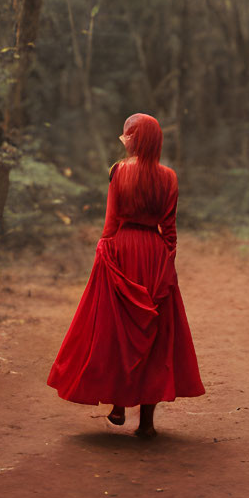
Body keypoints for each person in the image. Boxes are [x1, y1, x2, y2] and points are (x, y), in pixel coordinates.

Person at [47, 113, 205, 437]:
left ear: (134, 138)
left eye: (128, 135)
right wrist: (166, 262)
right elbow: (170, 231)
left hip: (121, 250)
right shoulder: (170, 178)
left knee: (117, 330)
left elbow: (111, 220)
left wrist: (104, 251)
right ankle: (146, 423)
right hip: (154, 253)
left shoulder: (118, 171)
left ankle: (118, 404)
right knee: (155, 335)